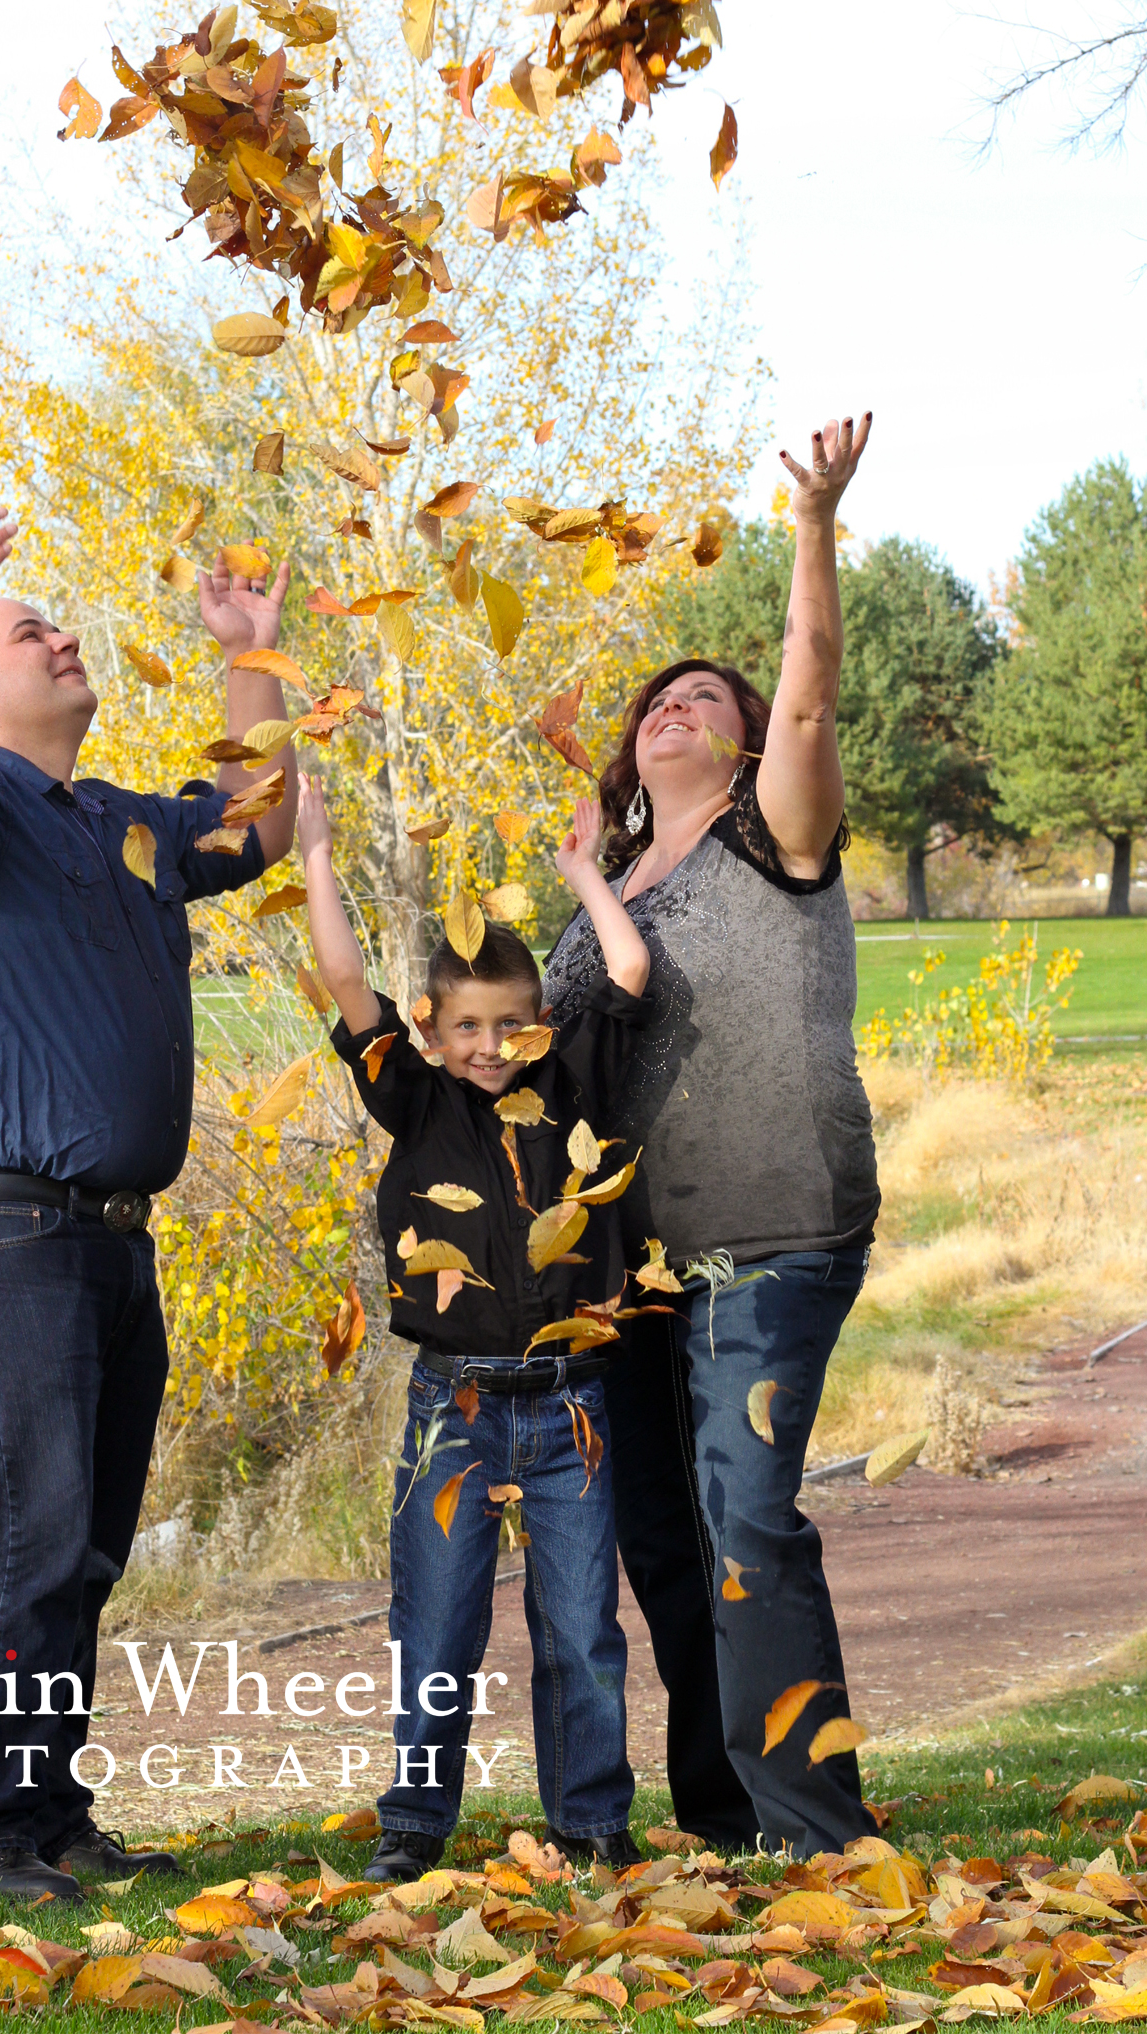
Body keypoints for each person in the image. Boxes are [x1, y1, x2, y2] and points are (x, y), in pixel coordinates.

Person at [0, 500, 296, 1897]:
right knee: (28, 1524)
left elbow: (255, 826)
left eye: (49, 622)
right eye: (27, 629)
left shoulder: (112, 822)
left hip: (105, 1236)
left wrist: (257, 651)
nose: (55, 633)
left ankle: (48, 1813)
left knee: (85, 1539)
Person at [542, 415, 882, 1859]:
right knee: (666, 1544)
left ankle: (816, 1830)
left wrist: (810, 525)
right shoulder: (601, 884)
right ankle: (725, 1809)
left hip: (771, 1231)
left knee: (748, 1519)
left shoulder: (770, 833)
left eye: (706, 695)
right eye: (656, 699)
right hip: (636, 1266)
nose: (677, 705)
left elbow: (806, 705)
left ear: (741, 737)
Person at [297, 774, 650, 1881]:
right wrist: (314, 845)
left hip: (567, 1408)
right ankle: (414, 1829)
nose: (491, 1045)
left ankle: (589, 1824)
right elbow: (346, 977)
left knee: (582, 1632)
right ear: (434, 1031)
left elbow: (628, 971)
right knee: (438, 1621)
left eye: (511, 1023)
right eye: (467, 1027)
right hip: (453, 1401)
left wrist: (584, 875)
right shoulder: (417, 1097)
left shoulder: (574, 1080)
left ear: (539, 1021)